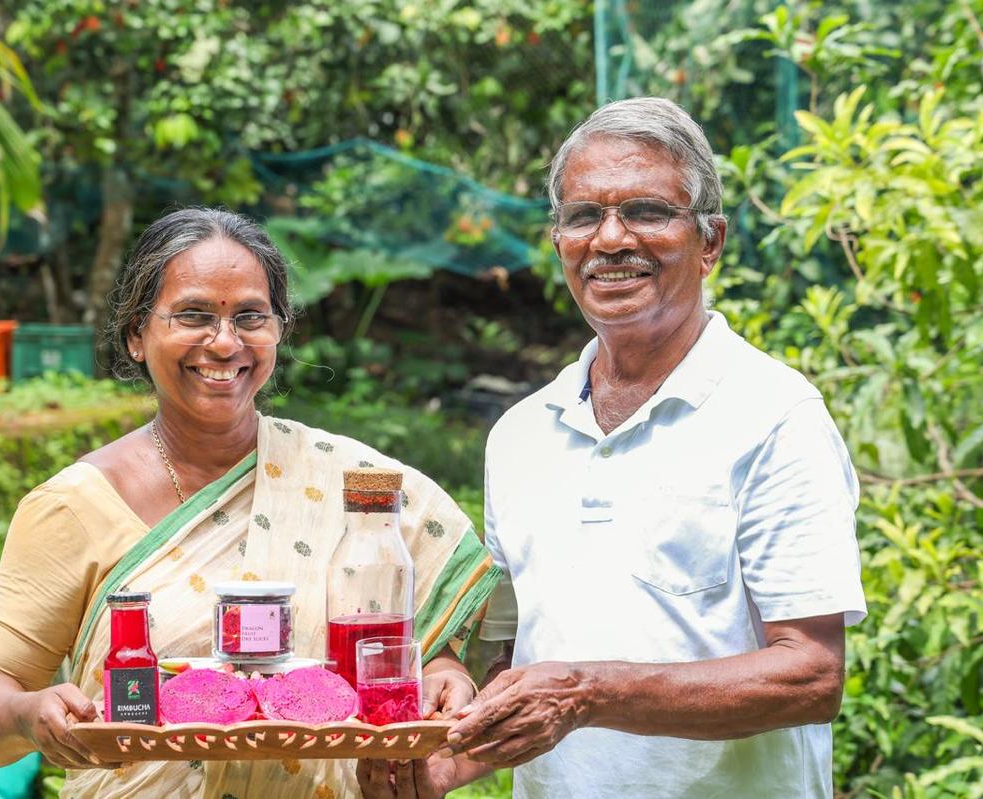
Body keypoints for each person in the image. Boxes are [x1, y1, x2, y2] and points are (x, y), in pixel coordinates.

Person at [364, 97, 868, 799]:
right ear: (559, 241)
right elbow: (516, 656)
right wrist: (451, 762)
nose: (610, 238)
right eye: (582, 216)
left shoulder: (775, 416)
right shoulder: (522, 433)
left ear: (711, 241)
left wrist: (585, 692)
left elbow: (810, 675)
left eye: (647, 211)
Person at [0, 207, 502, 798]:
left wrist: (447, 679)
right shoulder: (73, 505)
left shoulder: (356, 486)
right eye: (193, 315)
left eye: (250, 317)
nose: (224, 342)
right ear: (137, 334)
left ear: (277, 331)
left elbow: (442, 658)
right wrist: (27, 714)